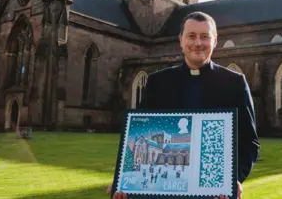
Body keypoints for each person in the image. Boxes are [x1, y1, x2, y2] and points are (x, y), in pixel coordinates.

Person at [109, 11, 260, 199]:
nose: (198, 43)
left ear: (215, 41)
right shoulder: (158, 82)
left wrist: (233, 179)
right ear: (181, 40)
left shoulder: (235, 82)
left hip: (213, 194)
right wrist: (125, 180)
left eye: (205, 36)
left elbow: (249, 142)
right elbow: (140, 134)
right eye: (191, 36)